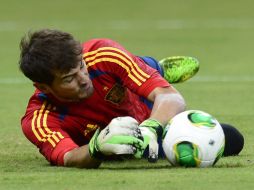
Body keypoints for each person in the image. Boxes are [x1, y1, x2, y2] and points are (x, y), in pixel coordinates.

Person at [19, 29, 243, 168]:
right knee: (230, 139)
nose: (83, 79)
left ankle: (154, 69)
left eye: (81, 66)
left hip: (145, 108)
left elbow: (171, 98)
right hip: (122, 137)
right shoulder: (39, 118)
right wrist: (96, 147)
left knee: (140, 76)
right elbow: (68, 156)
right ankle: (150, 72)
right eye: (69, 79)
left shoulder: (101, 54)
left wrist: (151, 127)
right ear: (43, 87)